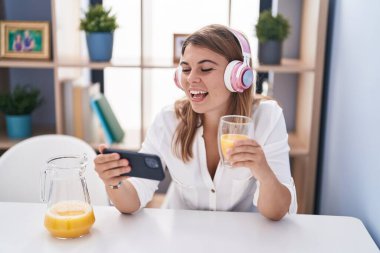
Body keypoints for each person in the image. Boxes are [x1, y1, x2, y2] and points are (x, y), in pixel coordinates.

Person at [94, 24, 297, 220]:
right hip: (182, 237)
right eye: (185, 69)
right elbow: (133, 199)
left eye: (206, 68)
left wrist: (263, 171)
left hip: (243, 238)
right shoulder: (168, 120)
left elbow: (277, 211)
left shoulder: (267, 117)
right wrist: (114, 182)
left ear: (237, 76)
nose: (191, 79)